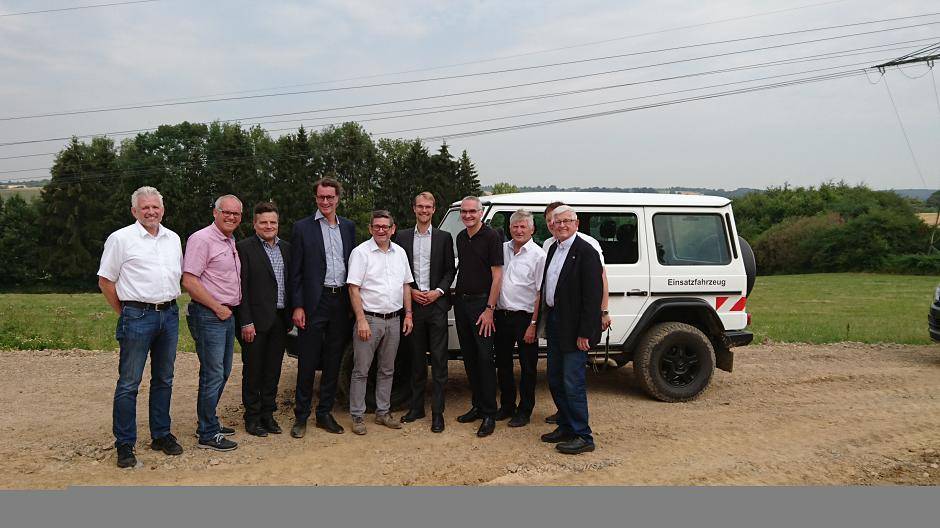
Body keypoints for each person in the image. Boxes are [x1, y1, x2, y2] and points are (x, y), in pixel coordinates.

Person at [98, 186, 183, 469]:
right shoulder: (121, 239)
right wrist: (127, 313)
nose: (151, 211)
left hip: (169, 313)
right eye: (144, 207)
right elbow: (106, 281)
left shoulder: (173, 238)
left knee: (164, 379)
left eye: (155, 207)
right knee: (129, 383)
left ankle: (160, 435)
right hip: (137, 314)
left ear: (162, 209)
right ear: (135, 211)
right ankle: (124, 443)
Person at [288, 177, 355, 438]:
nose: (326, 201)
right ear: (316, 199)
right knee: (307, 361)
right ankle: (301, 416)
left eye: (330, 197)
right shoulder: (302, 228)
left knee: (333, 360)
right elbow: (296, 272)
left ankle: (324, 413)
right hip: (314, 302)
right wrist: (298, 306)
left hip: (341, 302)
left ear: (338, 198)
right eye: (321, 197)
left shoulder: (348, 227)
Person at [182, 194, 243, 452]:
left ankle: (208, 422)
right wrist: (217, 308)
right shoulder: (202, 239)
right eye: (226, 212)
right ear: (215, 213)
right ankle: (207, 432)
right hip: (209, 314)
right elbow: (189, 280)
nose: (231, 217)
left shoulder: (229, 240)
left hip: (225, 315)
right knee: (213, 373)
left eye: (236, 214)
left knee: (223, 371)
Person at [541, 201, 611, 425]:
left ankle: (581, 433)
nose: (561, 225)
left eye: (567, 221)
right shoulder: (553, 247)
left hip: (575, 326)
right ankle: (565, 424)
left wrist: (585, 333)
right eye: (557, 221)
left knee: (573, 381)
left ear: (576, 224)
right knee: (555, 378)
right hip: (555, 320)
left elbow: (592, 297)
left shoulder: (586, 251)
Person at [346, 210, 415, 435]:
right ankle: (357, 415)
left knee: (387, 369)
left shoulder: (400, 253)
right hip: (370, 320)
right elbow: (353, 288)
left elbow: (406, 285)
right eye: (377, 226)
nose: (381, 230)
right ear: (370, 229)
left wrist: (409, 314)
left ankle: (383, 412)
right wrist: (361, 320)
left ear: (393, 229)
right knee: (361, 370)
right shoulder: (361, 253)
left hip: (394, 319)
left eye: (385, 226)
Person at [395, 192, 456, 433]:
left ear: (434, 210)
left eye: (428, 207)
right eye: (420, 206)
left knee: (440, 361)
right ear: (414, 209)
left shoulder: (444, 237)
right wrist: (411, 293)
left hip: (436, 306)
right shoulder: (401, 237)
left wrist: (438, 291)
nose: (424, 210)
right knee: (416, 360)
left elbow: (450, 271)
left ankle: (437, 413)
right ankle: (416, 407)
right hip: (413, 306)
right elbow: (399, 271)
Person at [236, 202, 291, 437]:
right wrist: (245, 321)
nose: (269, 226)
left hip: (280, 318)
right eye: (263, 222)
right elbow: (242, 288)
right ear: (255, 224)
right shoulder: (243, 248)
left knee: (273, 370)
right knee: (253, 370)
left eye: (273, 222)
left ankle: (268, 415)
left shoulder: (287, 248)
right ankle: (252, 417)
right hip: (255, 321)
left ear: (278, 224)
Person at [453, 196, 504, 437]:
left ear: (481, 213)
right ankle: (477, 405)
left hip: (482, 305)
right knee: (470, 358)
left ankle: (489, 414)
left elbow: (497, 276)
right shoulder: (461, 237)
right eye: (464, 212)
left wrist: (489, 309)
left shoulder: (492, 237)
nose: (468, 215)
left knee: (485, 359)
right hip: (461, 303)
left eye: (472, 211)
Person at [494, 209, 546, 428]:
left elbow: (539, 293)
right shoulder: (501, 250)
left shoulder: (538, 255)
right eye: (515, 226)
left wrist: (534, 324)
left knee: (528, 367)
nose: (519, 230)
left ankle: (525, 410)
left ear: (532, 229)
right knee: (503, 364)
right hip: (501, 316)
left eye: (523, 226)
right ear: (509, 228)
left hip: (525, 319)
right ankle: (507, 406)